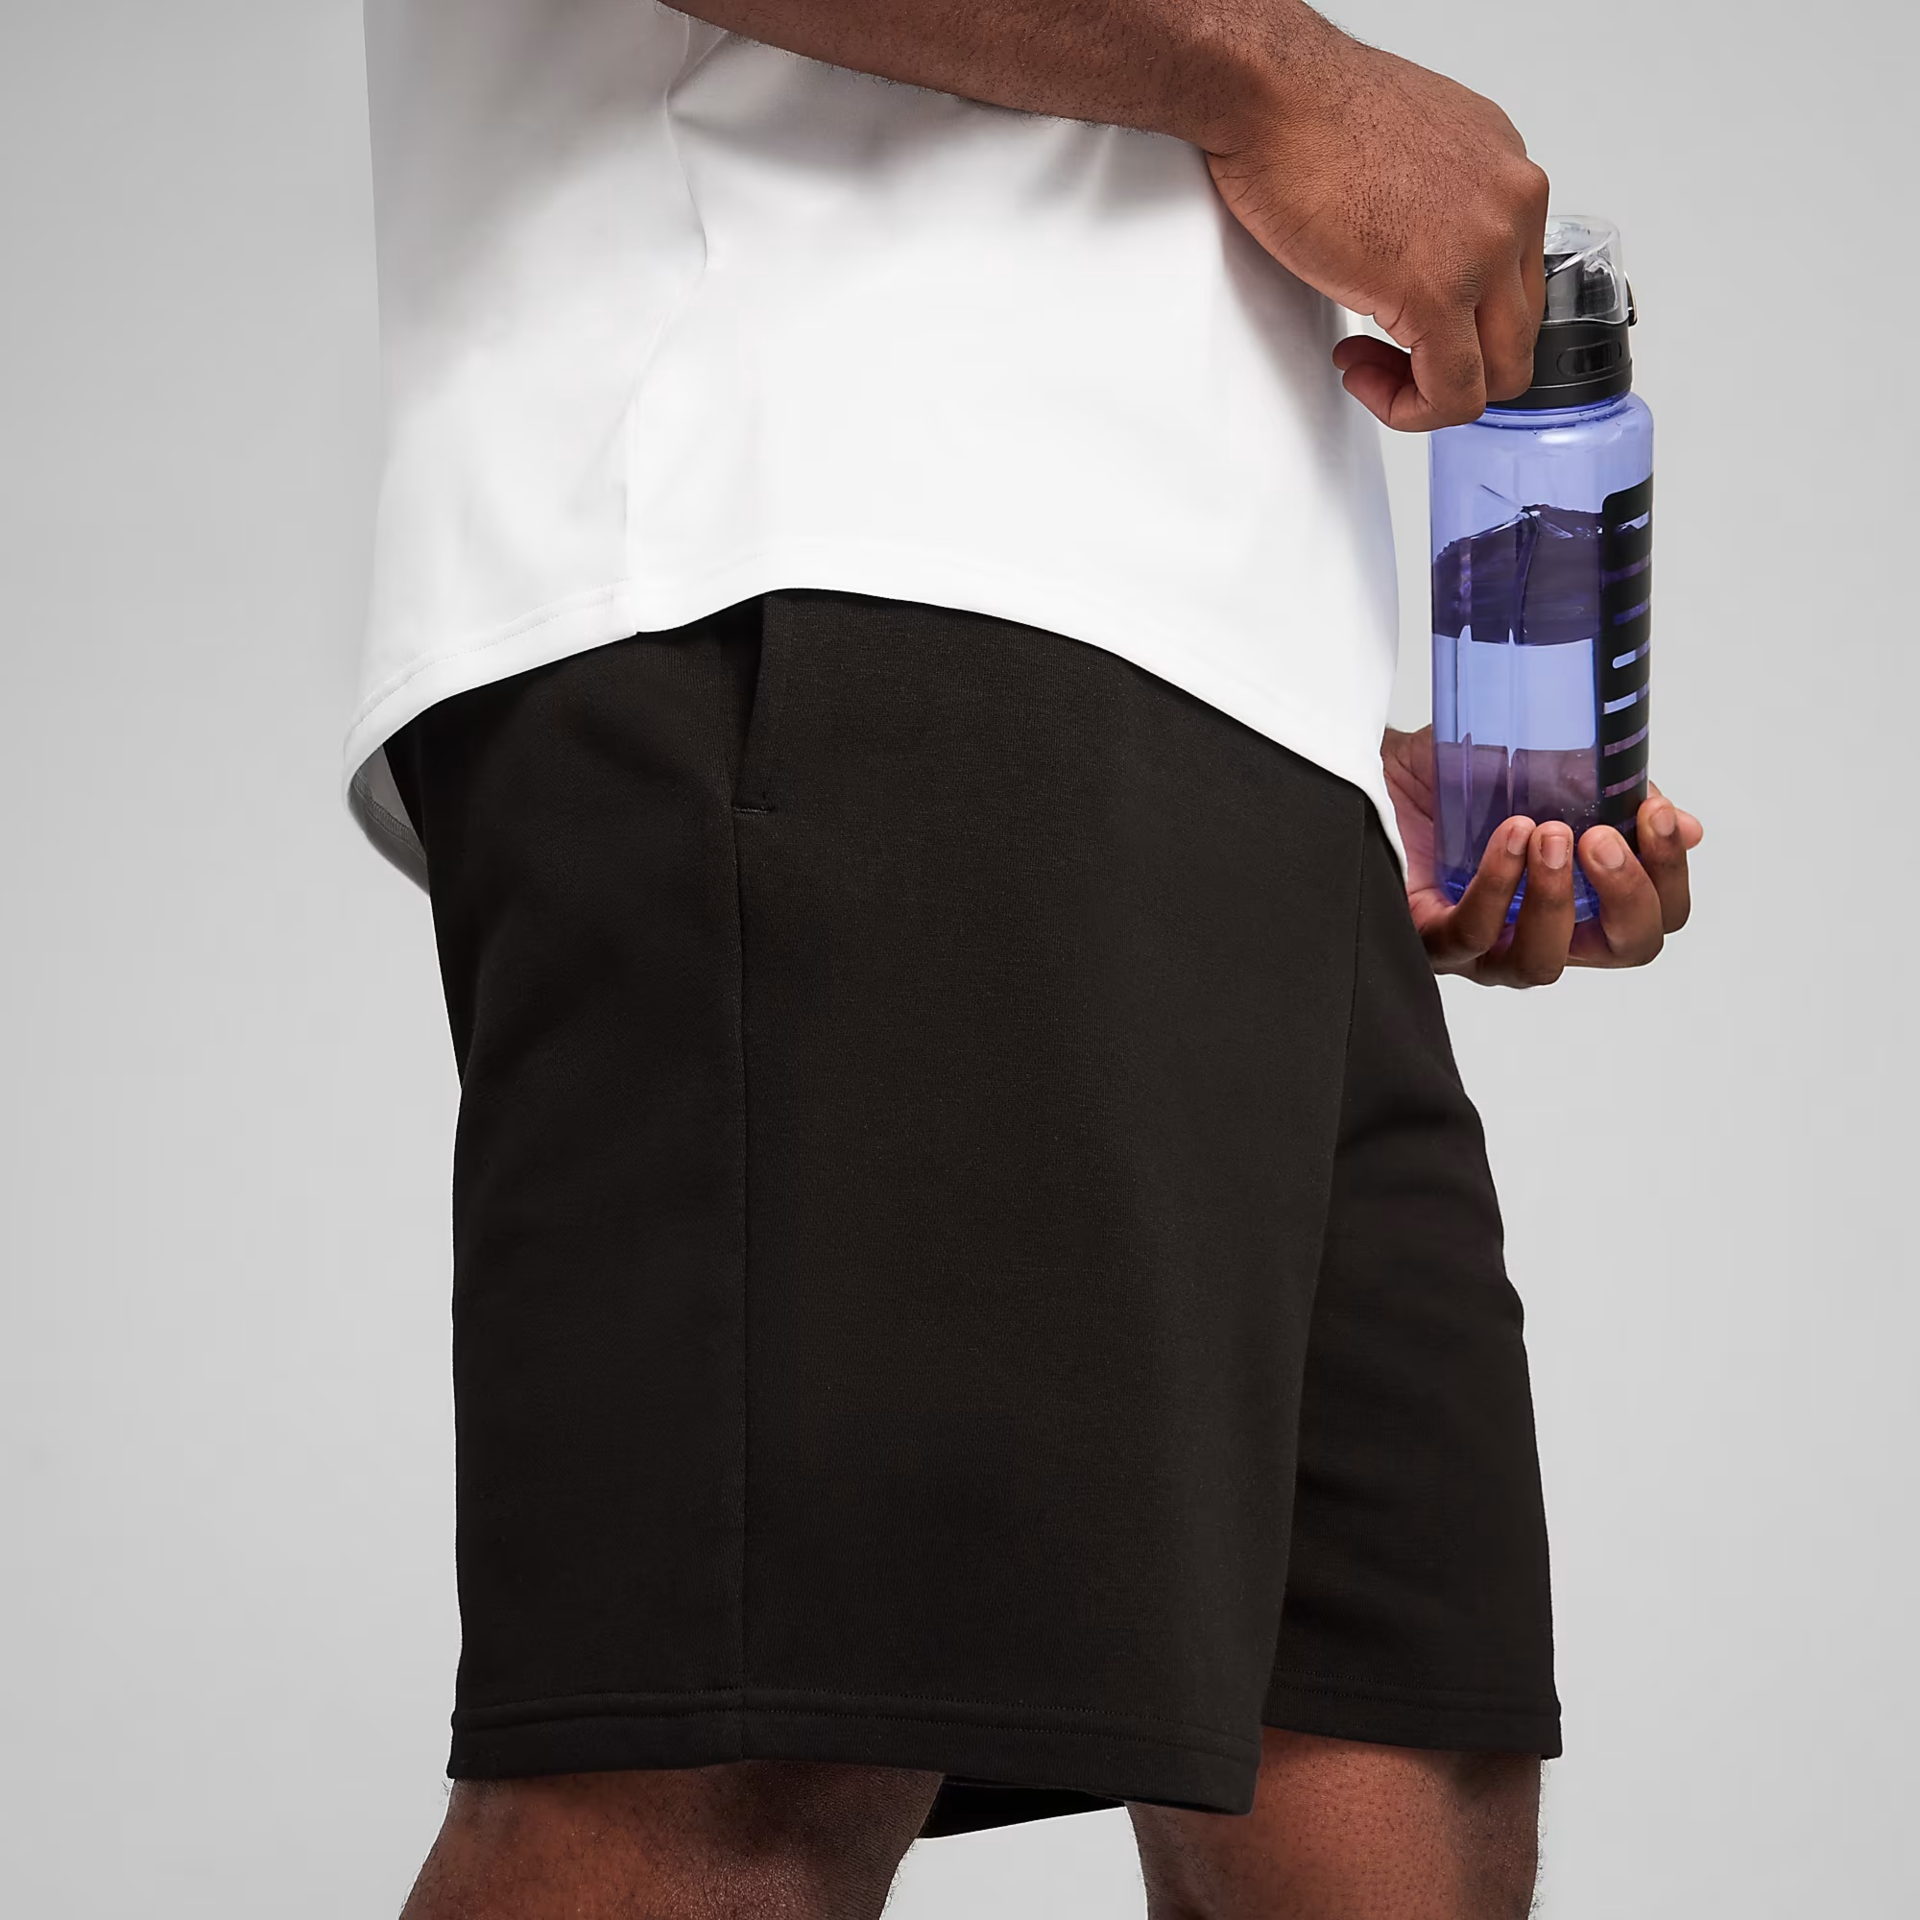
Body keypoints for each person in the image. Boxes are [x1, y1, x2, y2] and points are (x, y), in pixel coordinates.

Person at [346, 2, 1704, 1915]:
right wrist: (1288, 78)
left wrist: (1323, 741)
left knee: (1390, 1792)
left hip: (1242, 700)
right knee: (751, 1764)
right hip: (829, 538)